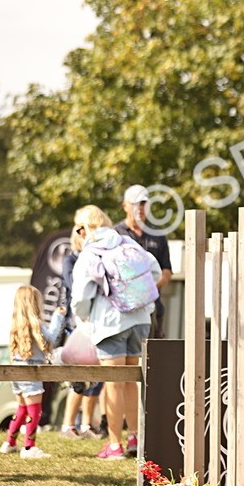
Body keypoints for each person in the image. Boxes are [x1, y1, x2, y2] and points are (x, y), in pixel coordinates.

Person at [72, 205, 161, 459]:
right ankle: (134, 438)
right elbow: (153, 270)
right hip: (141, 318)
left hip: (110, 323)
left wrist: (85, 315)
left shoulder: (90, 253)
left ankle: (114, 444)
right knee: (132, 380)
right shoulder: (128, 243)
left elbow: (80, 296)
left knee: (112, 383)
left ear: (83, 228)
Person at [2, 286, 67, 459]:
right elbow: (52, 337)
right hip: (31, 372)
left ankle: (10, 442)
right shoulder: (36, 324)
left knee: (22, 408)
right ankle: (29, 447)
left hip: (16, 370)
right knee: (35, 410)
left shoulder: (15, 325)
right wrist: (58, 316)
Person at [59, 227, 103, 439]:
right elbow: (73, 286)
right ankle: (68, 425)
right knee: (77, 380)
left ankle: (87, 425)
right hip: (76, 325)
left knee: (95, 379)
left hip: (96, 324)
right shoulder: (70, 260)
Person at [114, 184, 173, 339]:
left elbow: (166, 270)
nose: (140, 208)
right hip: (123, 309)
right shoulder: (115, 234)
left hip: (153, 306)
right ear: (125, 206)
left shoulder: (158, 234)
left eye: (144, 204)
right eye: (135, 204)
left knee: (154, 357)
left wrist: (153, 286)